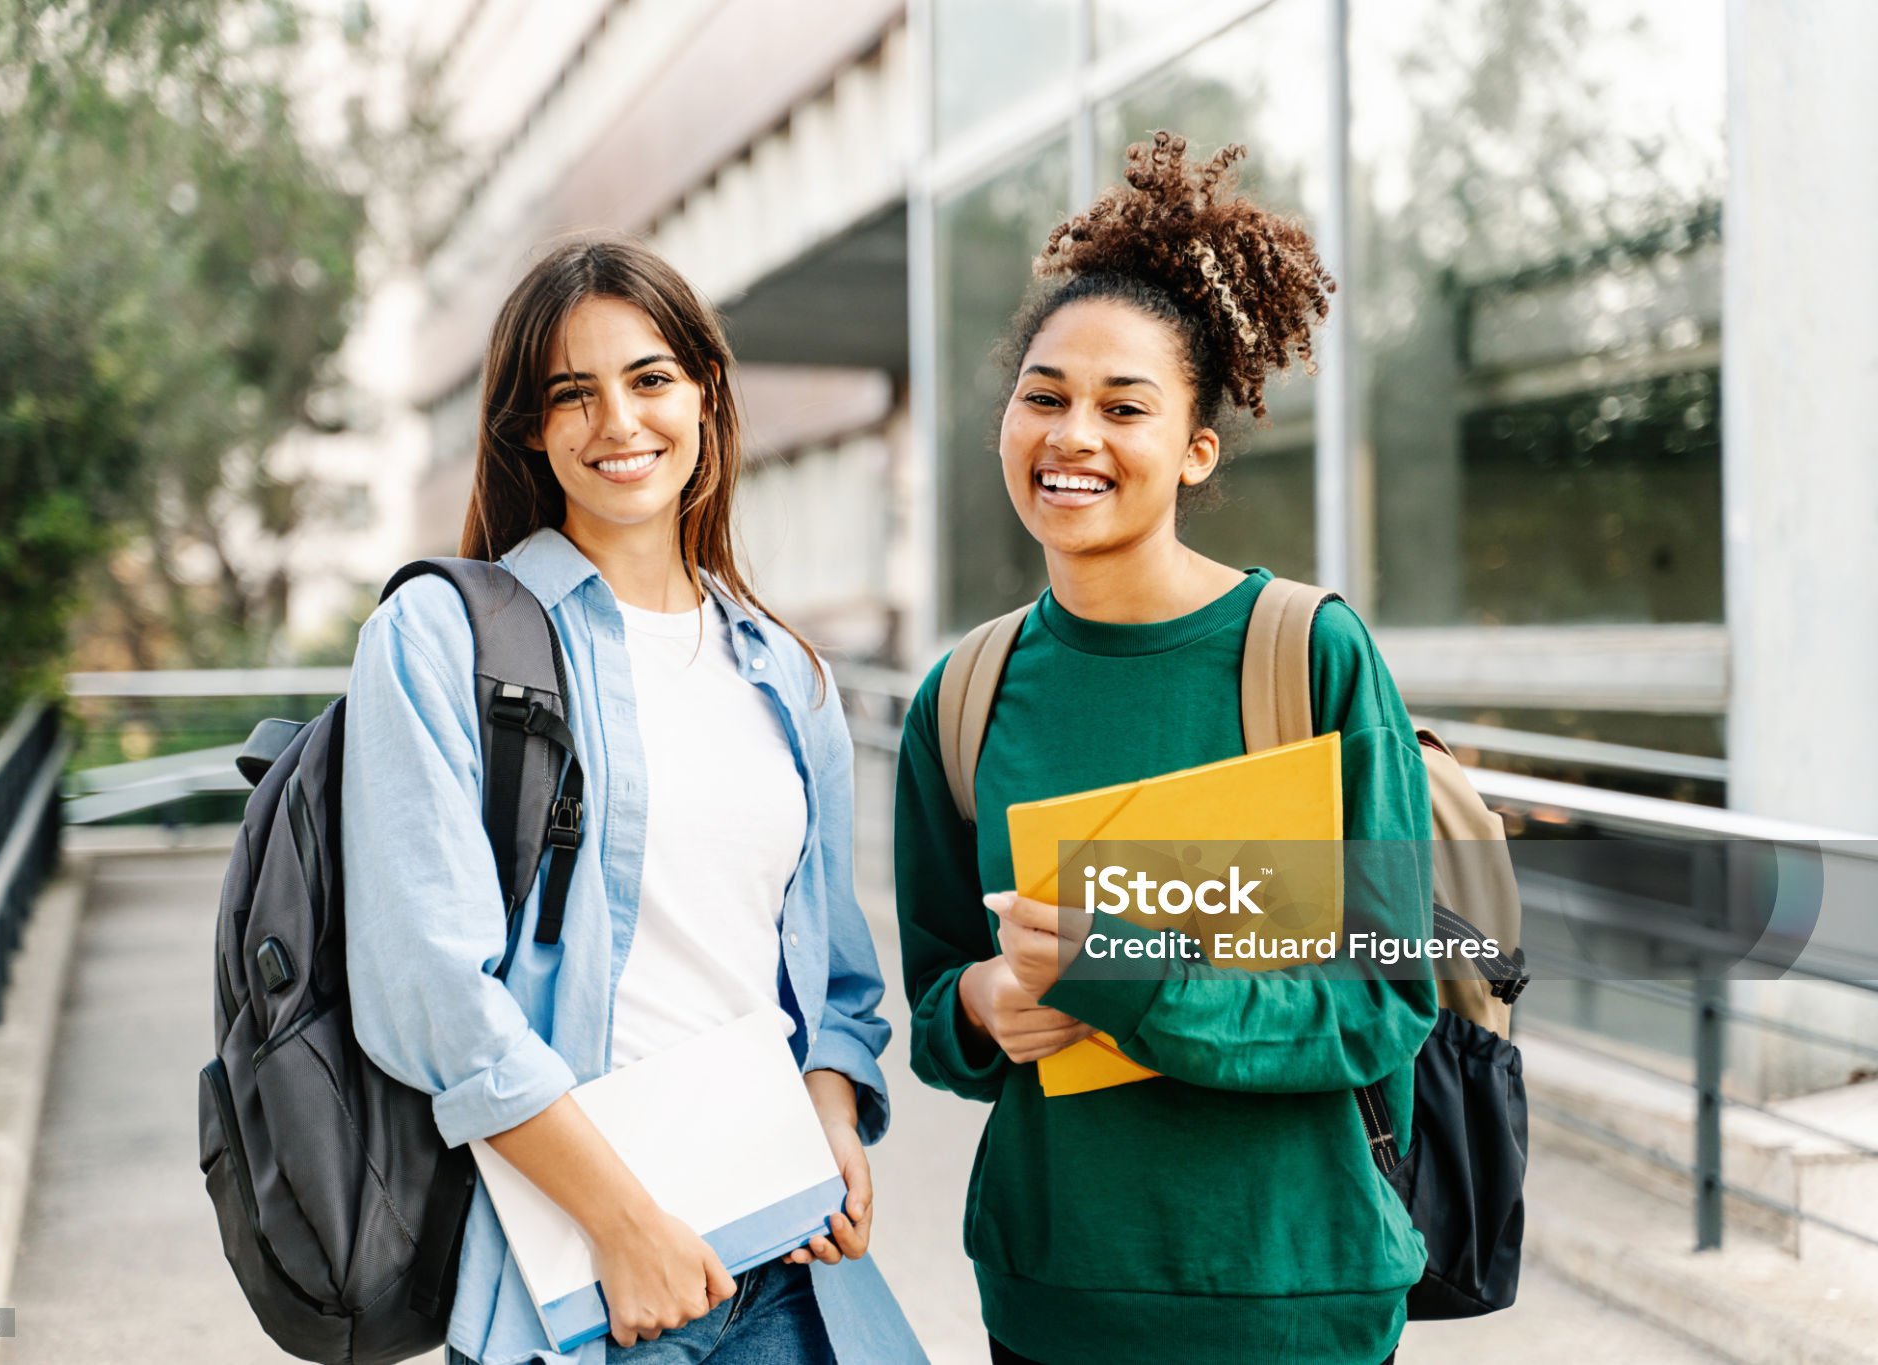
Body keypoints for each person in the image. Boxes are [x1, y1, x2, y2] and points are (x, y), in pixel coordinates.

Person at [893, 134, 1433, 1365]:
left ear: (1194, 448)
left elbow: (1387, 999)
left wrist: (1129, 981)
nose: (1072, 434)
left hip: (1292, 1299)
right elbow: (935, 1006)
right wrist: (978, 1005)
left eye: (1123, 406)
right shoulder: (962, 695)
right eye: (1043, 395)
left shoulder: (1308, 658)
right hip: (1051, 1299)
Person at [342, 236, 922, 1365]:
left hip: (792, 1265)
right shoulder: (441, 638)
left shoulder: (783, 672)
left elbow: (828, 971)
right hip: (587, 1285)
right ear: (528, 428)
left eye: (650, 378)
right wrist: (623, 1224)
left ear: (705, 394)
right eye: (573, 394)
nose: (618, 423)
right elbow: (428, 990)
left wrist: (834, 1112)